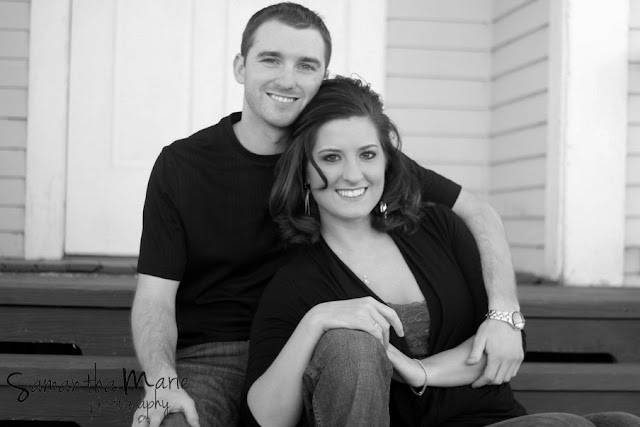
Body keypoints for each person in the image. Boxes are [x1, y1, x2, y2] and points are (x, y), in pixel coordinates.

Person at [131, 3, 525, 426]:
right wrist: (160, 379)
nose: (287, 78)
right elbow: (155, 295)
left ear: (323, 77)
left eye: (306, 65)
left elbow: (479, 212)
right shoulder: (184, 165)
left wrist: (503, 314)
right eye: (270, 60)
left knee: (349, 348)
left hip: (328, 341)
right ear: (240, 67)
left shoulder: (343, 155)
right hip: (217, 354)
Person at [243, 76, 640, 427]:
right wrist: (314, 322)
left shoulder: (438, 227)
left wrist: (420, 371)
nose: (353, 174)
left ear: (386, 161)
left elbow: (503, 347)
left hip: (490, 417)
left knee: (621, 422)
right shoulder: (296, 280)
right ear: (305, 173)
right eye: (331, 157)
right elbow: (265, 417)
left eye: (367, 154)